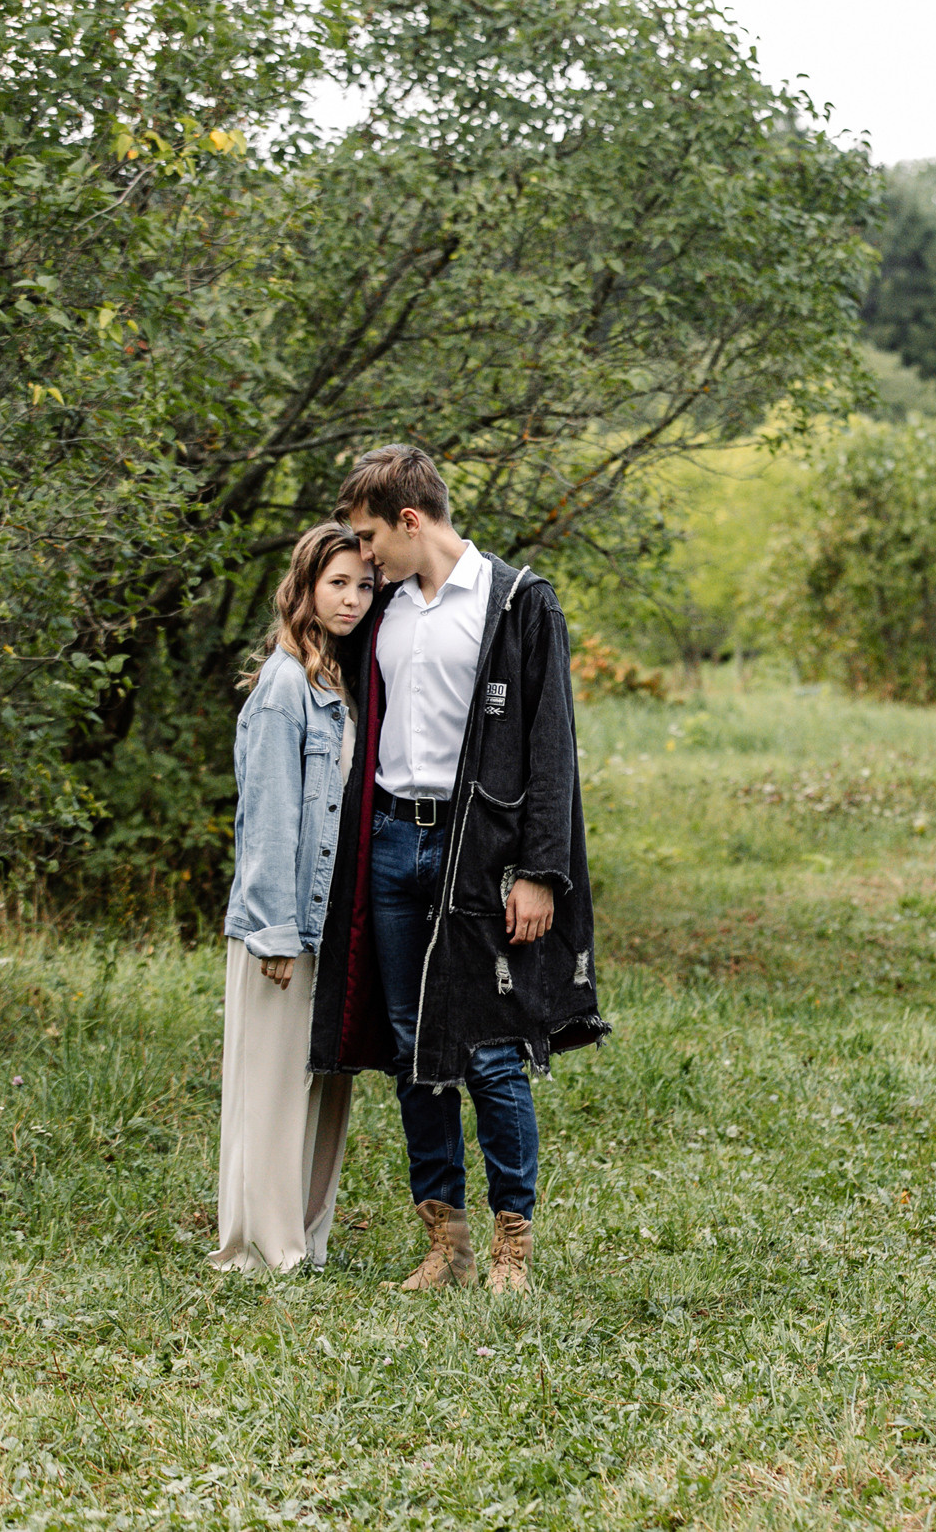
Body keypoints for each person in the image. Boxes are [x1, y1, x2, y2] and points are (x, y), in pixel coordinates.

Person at [306, 443, 607, 1293]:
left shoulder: (515, 602)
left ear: (410, 520)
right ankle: (446, 1240)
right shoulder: (387, 610)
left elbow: (553, 745)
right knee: (411, 1046)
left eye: (369, 539)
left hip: (482, 855)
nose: (363, 560)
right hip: (395, 843)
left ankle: (514, 1244)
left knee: (490, 1050)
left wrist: (541, 870)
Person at [213, 524, 376, 1272]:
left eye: (364, 585)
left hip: (329, 920)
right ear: (306, 586)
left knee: (322, 1085)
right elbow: (270, 819)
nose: (352, 598)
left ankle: (305, 1242)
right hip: (283, 926)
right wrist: (275, 931)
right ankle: (262, 1246)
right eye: (338, 582)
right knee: (274, 1090)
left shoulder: (336, 681)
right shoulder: (284, 687)